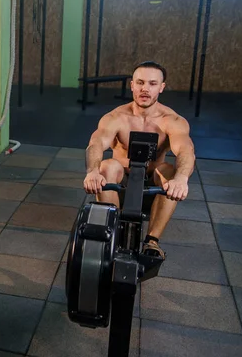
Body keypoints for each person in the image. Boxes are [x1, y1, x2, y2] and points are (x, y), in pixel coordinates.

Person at [83, 61, 196, 260]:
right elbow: (96, 144)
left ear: (161, 87)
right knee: (106, 166)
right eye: (140, 82)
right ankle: (113, 234)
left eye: (152, 84)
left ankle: (152, 242)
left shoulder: (172, 120)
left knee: (169, 171)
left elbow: (186, 150)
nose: (145, 88)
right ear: (132, 85)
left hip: (154, 186)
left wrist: (181, 178)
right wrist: (92, 170)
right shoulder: (116, 117)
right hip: (120, 184)